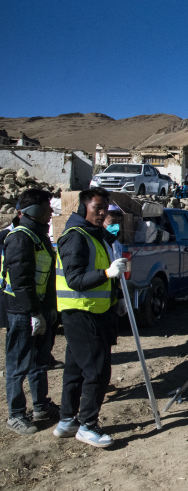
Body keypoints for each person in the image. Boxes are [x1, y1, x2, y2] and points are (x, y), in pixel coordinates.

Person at [53, 188, 128, 448]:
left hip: (95, 310)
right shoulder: (75, 237)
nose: (102, 212)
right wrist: (107, 273)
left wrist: (117, 298)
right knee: (97, 370)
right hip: (81, 312)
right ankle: (87, 425)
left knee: (75, 369)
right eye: (98, 207)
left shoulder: (95, 235)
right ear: (84, 207)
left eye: (105, 208)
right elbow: (75, 279)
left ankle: (67, 421)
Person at [3, 189, 60, 434]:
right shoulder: (21, 238)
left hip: (40, 309)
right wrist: (33, 312)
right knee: (18, 364)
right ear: (34, 210)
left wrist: (50, 309)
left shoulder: (39, 236)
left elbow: (47, 277)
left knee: (40, 362)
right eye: (47, 207)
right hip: (22, 312)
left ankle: (41, 406)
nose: (51, 211)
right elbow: (21, 281)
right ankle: (16, 414)